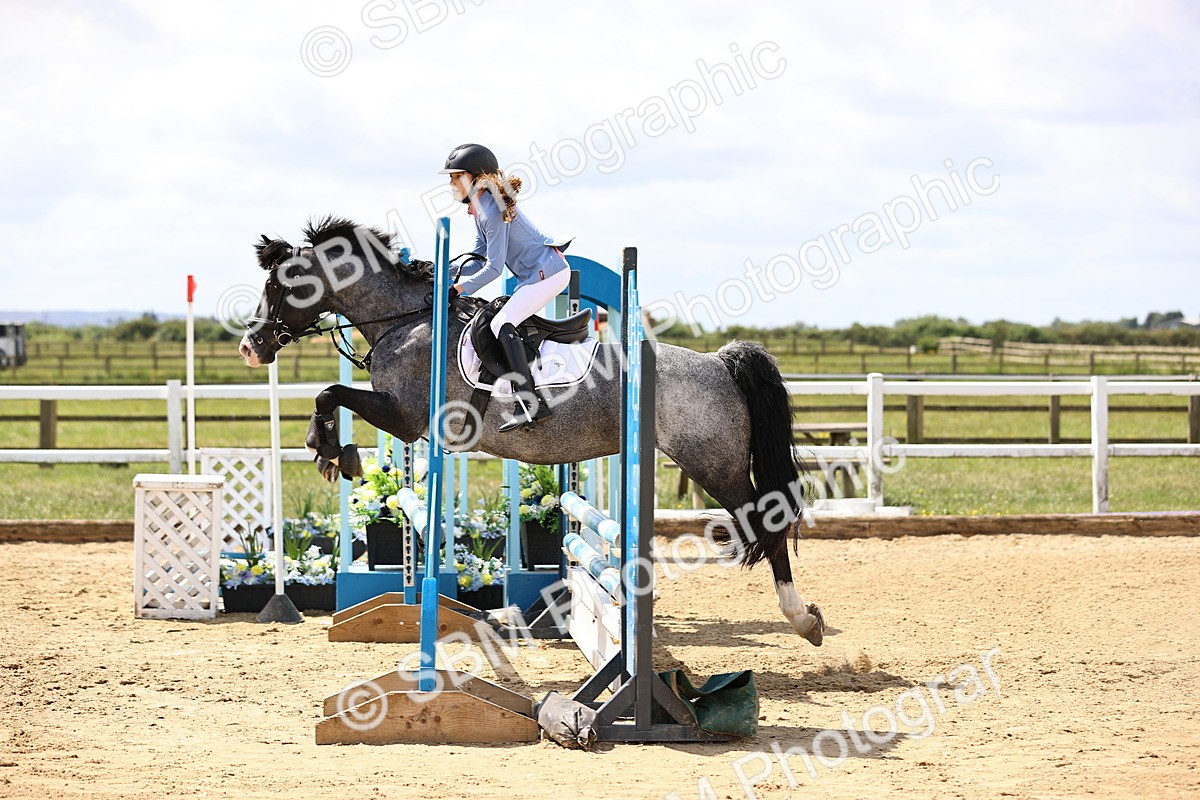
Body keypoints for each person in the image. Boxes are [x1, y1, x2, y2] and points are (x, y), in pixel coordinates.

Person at [440, 143, 572, 433]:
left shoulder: (491, 209)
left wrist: (457, 290)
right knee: (501, 321)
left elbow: (494, 269)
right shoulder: (482, 207)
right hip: (537, 275)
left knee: (502, 322)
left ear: (474, 176)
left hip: (549, 273)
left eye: (456, 176)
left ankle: (530, 404)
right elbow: (478, 259)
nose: (451, 183)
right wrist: (441, 272)